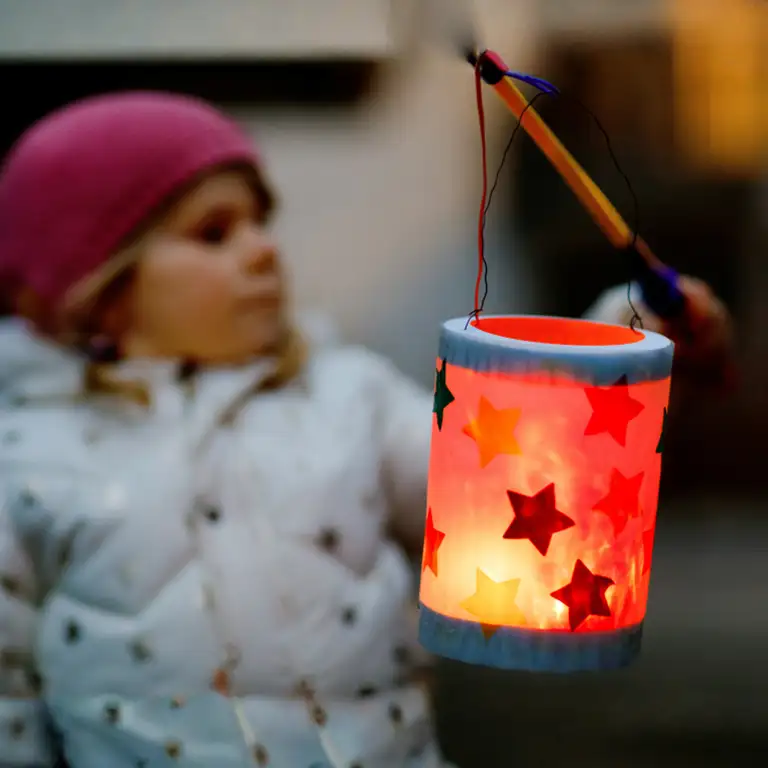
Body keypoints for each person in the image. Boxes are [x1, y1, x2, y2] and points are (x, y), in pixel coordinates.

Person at [0, 92, 732, 768]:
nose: (262, 250)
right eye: (214, 233)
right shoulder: (25, 454)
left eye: (262, 222)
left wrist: (624, 335)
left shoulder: (347, 394)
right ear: (94, 291)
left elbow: (507, 487)